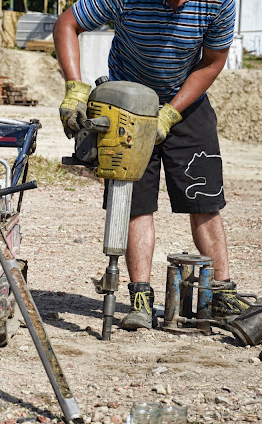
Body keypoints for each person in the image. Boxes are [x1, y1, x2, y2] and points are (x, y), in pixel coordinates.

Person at [53, 0, 239, 330]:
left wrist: (170, 112)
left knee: (204, 200)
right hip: (128, 102)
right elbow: (67, 23)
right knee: (134, 203)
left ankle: (221, 295)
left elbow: (212, 61)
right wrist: (75, 88)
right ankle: (141, 298)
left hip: (187, 102)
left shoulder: (218, 2)